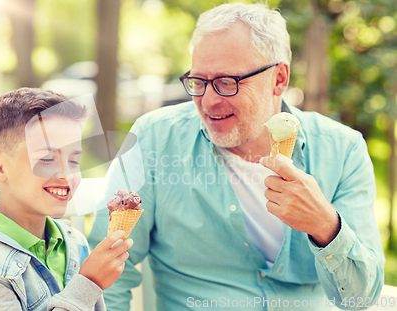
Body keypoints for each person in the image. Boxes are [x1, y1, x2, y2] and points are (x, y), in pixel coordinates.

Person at [88, 3, 385, 310]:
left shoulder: (343, 149)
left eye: (227, 82)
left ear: (279, 79)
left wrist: (325, 226)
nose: (208, 100)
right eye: (199, 81)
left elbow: (360, 299)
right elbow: (105, 274)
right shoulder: (154, 138)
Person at [0, 88, 133, 311]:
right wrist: (89, 282)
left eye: (74, 161)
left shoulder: (73, 242)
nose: (66, 175)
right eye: (48, 159)